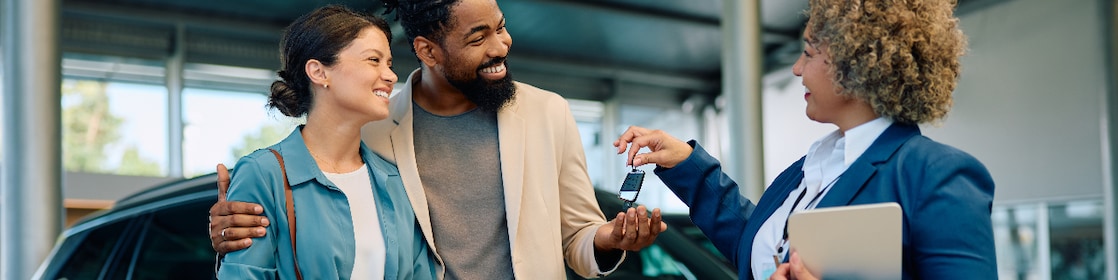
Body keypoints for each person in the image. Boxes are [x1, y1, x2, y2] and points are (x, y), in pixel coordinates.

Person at [209, 0, 667, 278]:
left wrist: (609, 239)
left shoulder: (547, 114)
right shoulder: (371, 128)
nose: (501, 46)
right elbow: (310, 185)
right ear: (428, 50)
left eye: (501, 27)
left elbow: (580, 240)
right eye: (478, 37)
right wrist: (236, 220)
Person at [612, 0, 996, 279]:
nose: (797, 69)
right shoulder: (810, 167)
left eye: (809, 53)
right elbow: (757, 246)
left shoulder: (938, 175)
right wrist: (686, 166)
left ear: (855, 65)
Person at [215, 5, 436, 279]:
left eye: (389, 63)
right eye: (373, 60)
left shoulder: (394, 182)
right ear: (319, 72)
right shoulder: (264, 174)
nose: (391, 76)